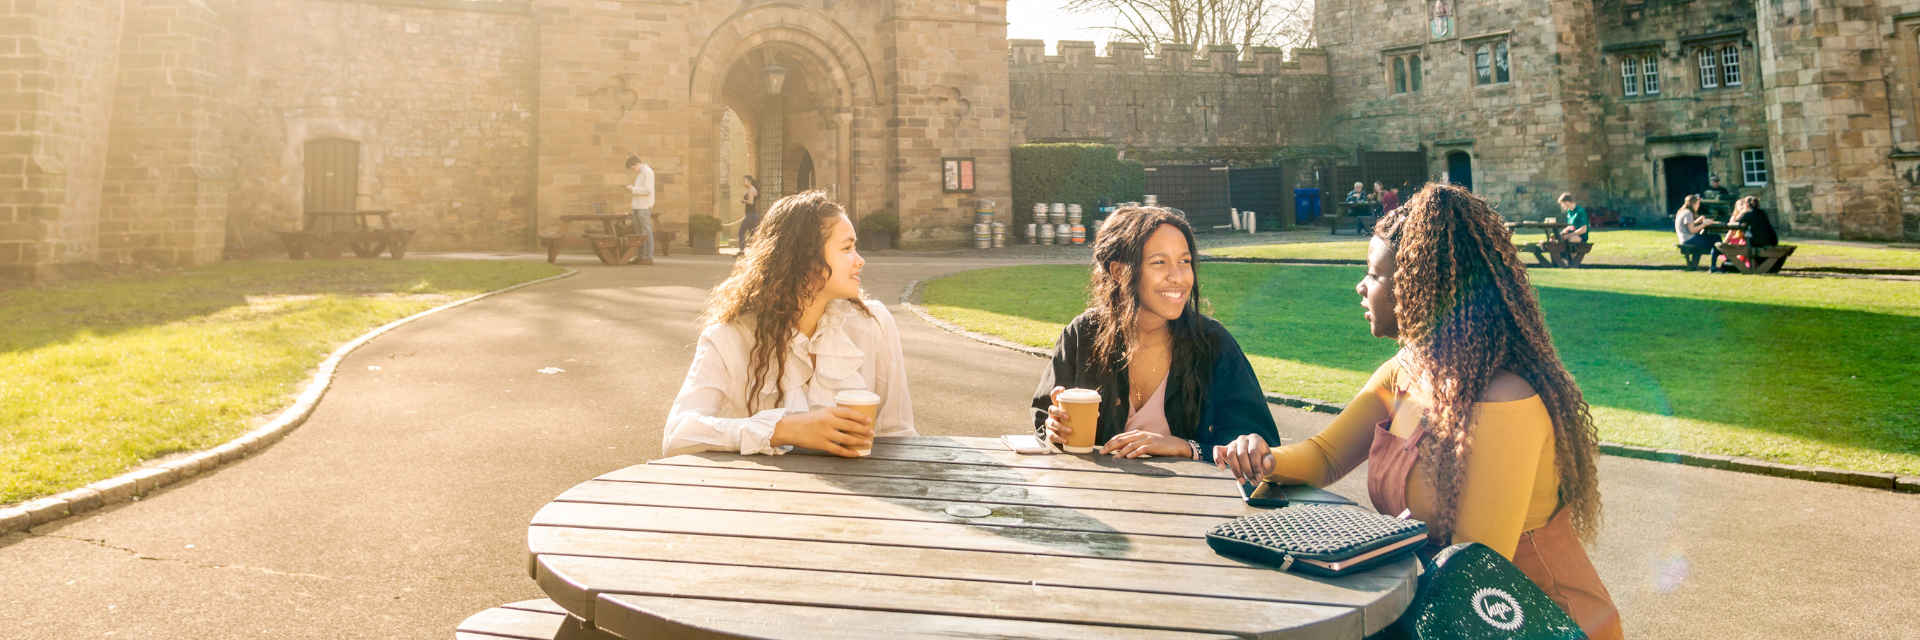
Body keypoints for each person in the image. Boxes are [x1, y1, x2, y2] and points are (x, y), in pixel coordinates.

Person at [1213, 184, 1622, 640]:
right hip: (1431, 607)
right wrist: (1261, 458)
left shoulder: (1504, 399)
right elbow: (1327, 456)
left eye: (1374, 274)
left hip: (1530, 618)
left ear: (1415, 287)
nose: (1362, 286)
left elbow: (1475, 564)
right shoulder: (1409, 375)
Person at [662, 190, 915, 457]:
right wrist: (781, 430)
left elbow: (898, 432)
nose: (859, 260)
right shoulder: (731, 337)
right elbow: (677, 434)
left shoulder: (873, 322)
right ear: (804, 257)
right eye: (847, 248)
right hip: (772, 491)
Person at [1031, 206, 1280, 461]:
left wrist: (1186, 447)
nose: (1178, 277)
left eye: (1185, 262)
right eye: (1159, 262)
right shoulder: (1082, 335)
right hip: (1097, 497)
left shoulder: (1212, 343)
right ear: (1118, 272)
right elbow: (1044, 418)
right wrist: (1053, 430)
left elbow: (1258, 445)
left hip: (1194, 499)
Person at [1726, 195, 1785, 272]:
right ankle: (1763, 267)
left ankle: (1754, 267)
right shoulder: (1762, 212)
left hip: (1759, 241)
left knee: (1746, 245)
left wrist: (1743, 211)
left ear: (1746, 205)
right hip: (1772, 240)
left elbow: (1735, 222)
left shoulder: (1747, 213)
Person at [1674, 194, 1724, 270]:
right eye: (1698, 204)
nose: (1698, 206)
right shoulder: (1688, 213)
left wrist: (1697, 221)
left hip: (1685, 238)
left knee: (1710, 237)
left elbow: (1689, 226)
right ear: (1694, 204)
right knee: (1716, 238)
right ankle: (1713, 266)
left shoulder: (1683, 211)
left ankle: (1702, 265)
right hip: (1689, 239)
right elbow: (1692, 230)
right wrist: (1704, 224)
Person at [624, 156, 657, 265]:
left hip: (644, 206)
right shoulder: (641, 173)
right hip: (637, 206)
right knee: (639, 233)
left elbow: (648, 190)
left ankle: (649, 257)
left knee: (646, 232)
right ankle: (640, 256)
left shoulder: (648, 172)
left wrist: (632, 189)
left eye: (633, 168)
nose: (633, 170)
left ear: (637, 164)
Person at [736, 175, 760, 259]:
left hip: (751, 215)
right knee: (754, 235)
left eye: (744, 180)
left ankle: (742, 251)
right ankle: (758, 251)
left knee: (741, 232)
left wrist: (743, 200)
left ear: (749, 181)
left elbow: (751, 202)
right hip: (752, 215)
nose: (743, 182)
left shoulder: (751, 190)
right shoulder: (751, 189)